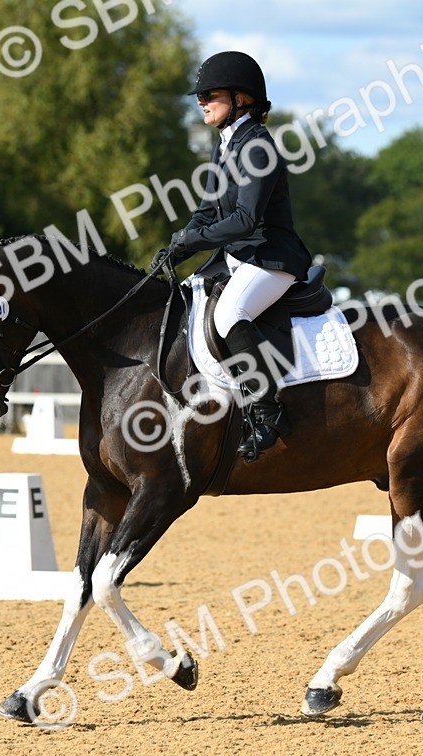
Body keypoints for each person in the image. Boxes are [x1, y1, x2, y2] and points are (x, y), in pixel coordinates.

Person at [153, 51, 311, 461]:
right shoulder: (225, 146)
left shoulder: (258, 147)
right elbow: (209, 210)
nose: (200, 101)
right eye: (200, 95)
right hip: (238, 257)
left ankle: (267, 410)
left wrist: (194, 240)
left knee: (228, 316)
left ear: (241, 99)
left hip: (271, 259)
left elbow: (244, 219)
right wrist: (179, 243)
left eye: (209, 94)